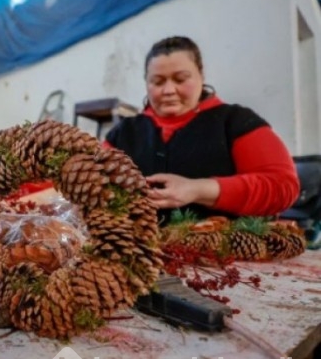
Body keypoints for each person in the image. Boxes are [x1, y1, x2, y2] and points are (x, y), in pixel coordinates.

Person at [104, 36, 299, 221]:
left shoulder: (235, 122)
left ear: (201, 75)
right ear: (146, 83)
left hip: (223, 252)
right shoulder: (123, 133)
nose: (169, 90)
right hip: (134, 252)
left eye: (181, 79)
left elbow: (282, 186)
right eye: (158, 82)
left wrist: (199, 190)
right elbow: (90, 184)